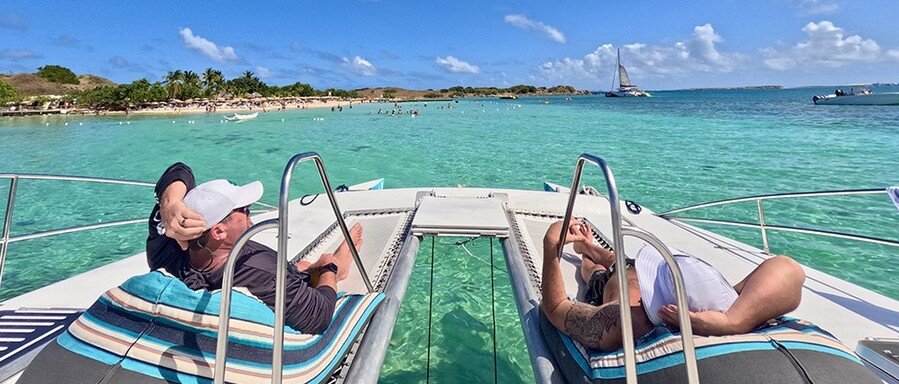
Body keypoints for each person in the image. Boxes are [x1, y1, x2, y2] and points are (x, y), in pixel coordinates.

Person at [147, 163, 361, 334]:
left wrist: (170, 204)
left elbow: (179, 170)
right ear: (219, 231)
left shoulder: (167, 249)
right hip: (288, 286)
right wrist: (329, 269)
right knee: (324, 265)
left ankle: (305, 270)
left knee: (300, 267)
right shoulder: (258, 274)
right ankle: (329, 267)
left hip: (281, 278)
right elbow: (319, 316)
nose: (251, 215)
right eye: (246, 210)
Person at [540, 220, 805, 352]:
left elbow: (556, 308)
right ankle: (590, 247)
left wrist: (551, 247)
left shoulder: (628, 318)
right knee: (624, 264)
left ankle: (588, 252)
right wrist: (732, 321)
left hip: (613, 286)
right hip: (710, 301)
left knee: (596, 271)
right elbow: (789, 269)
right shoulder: (732, 305)